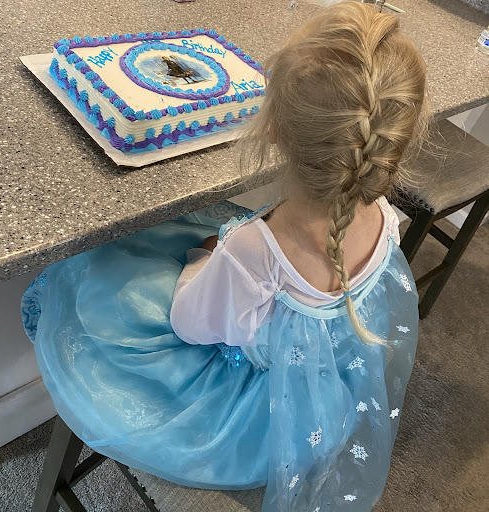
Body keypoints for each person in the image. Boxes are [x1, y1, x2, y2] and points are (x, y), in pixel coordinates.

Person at [21, 2, 428, 511]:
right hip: (322, 391)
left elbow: (190, 322)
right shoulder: (384, 216)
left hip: (252, 416)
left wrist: (206, 258)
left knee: (102, 274)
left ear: (273, 128)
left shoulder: (253, 248)